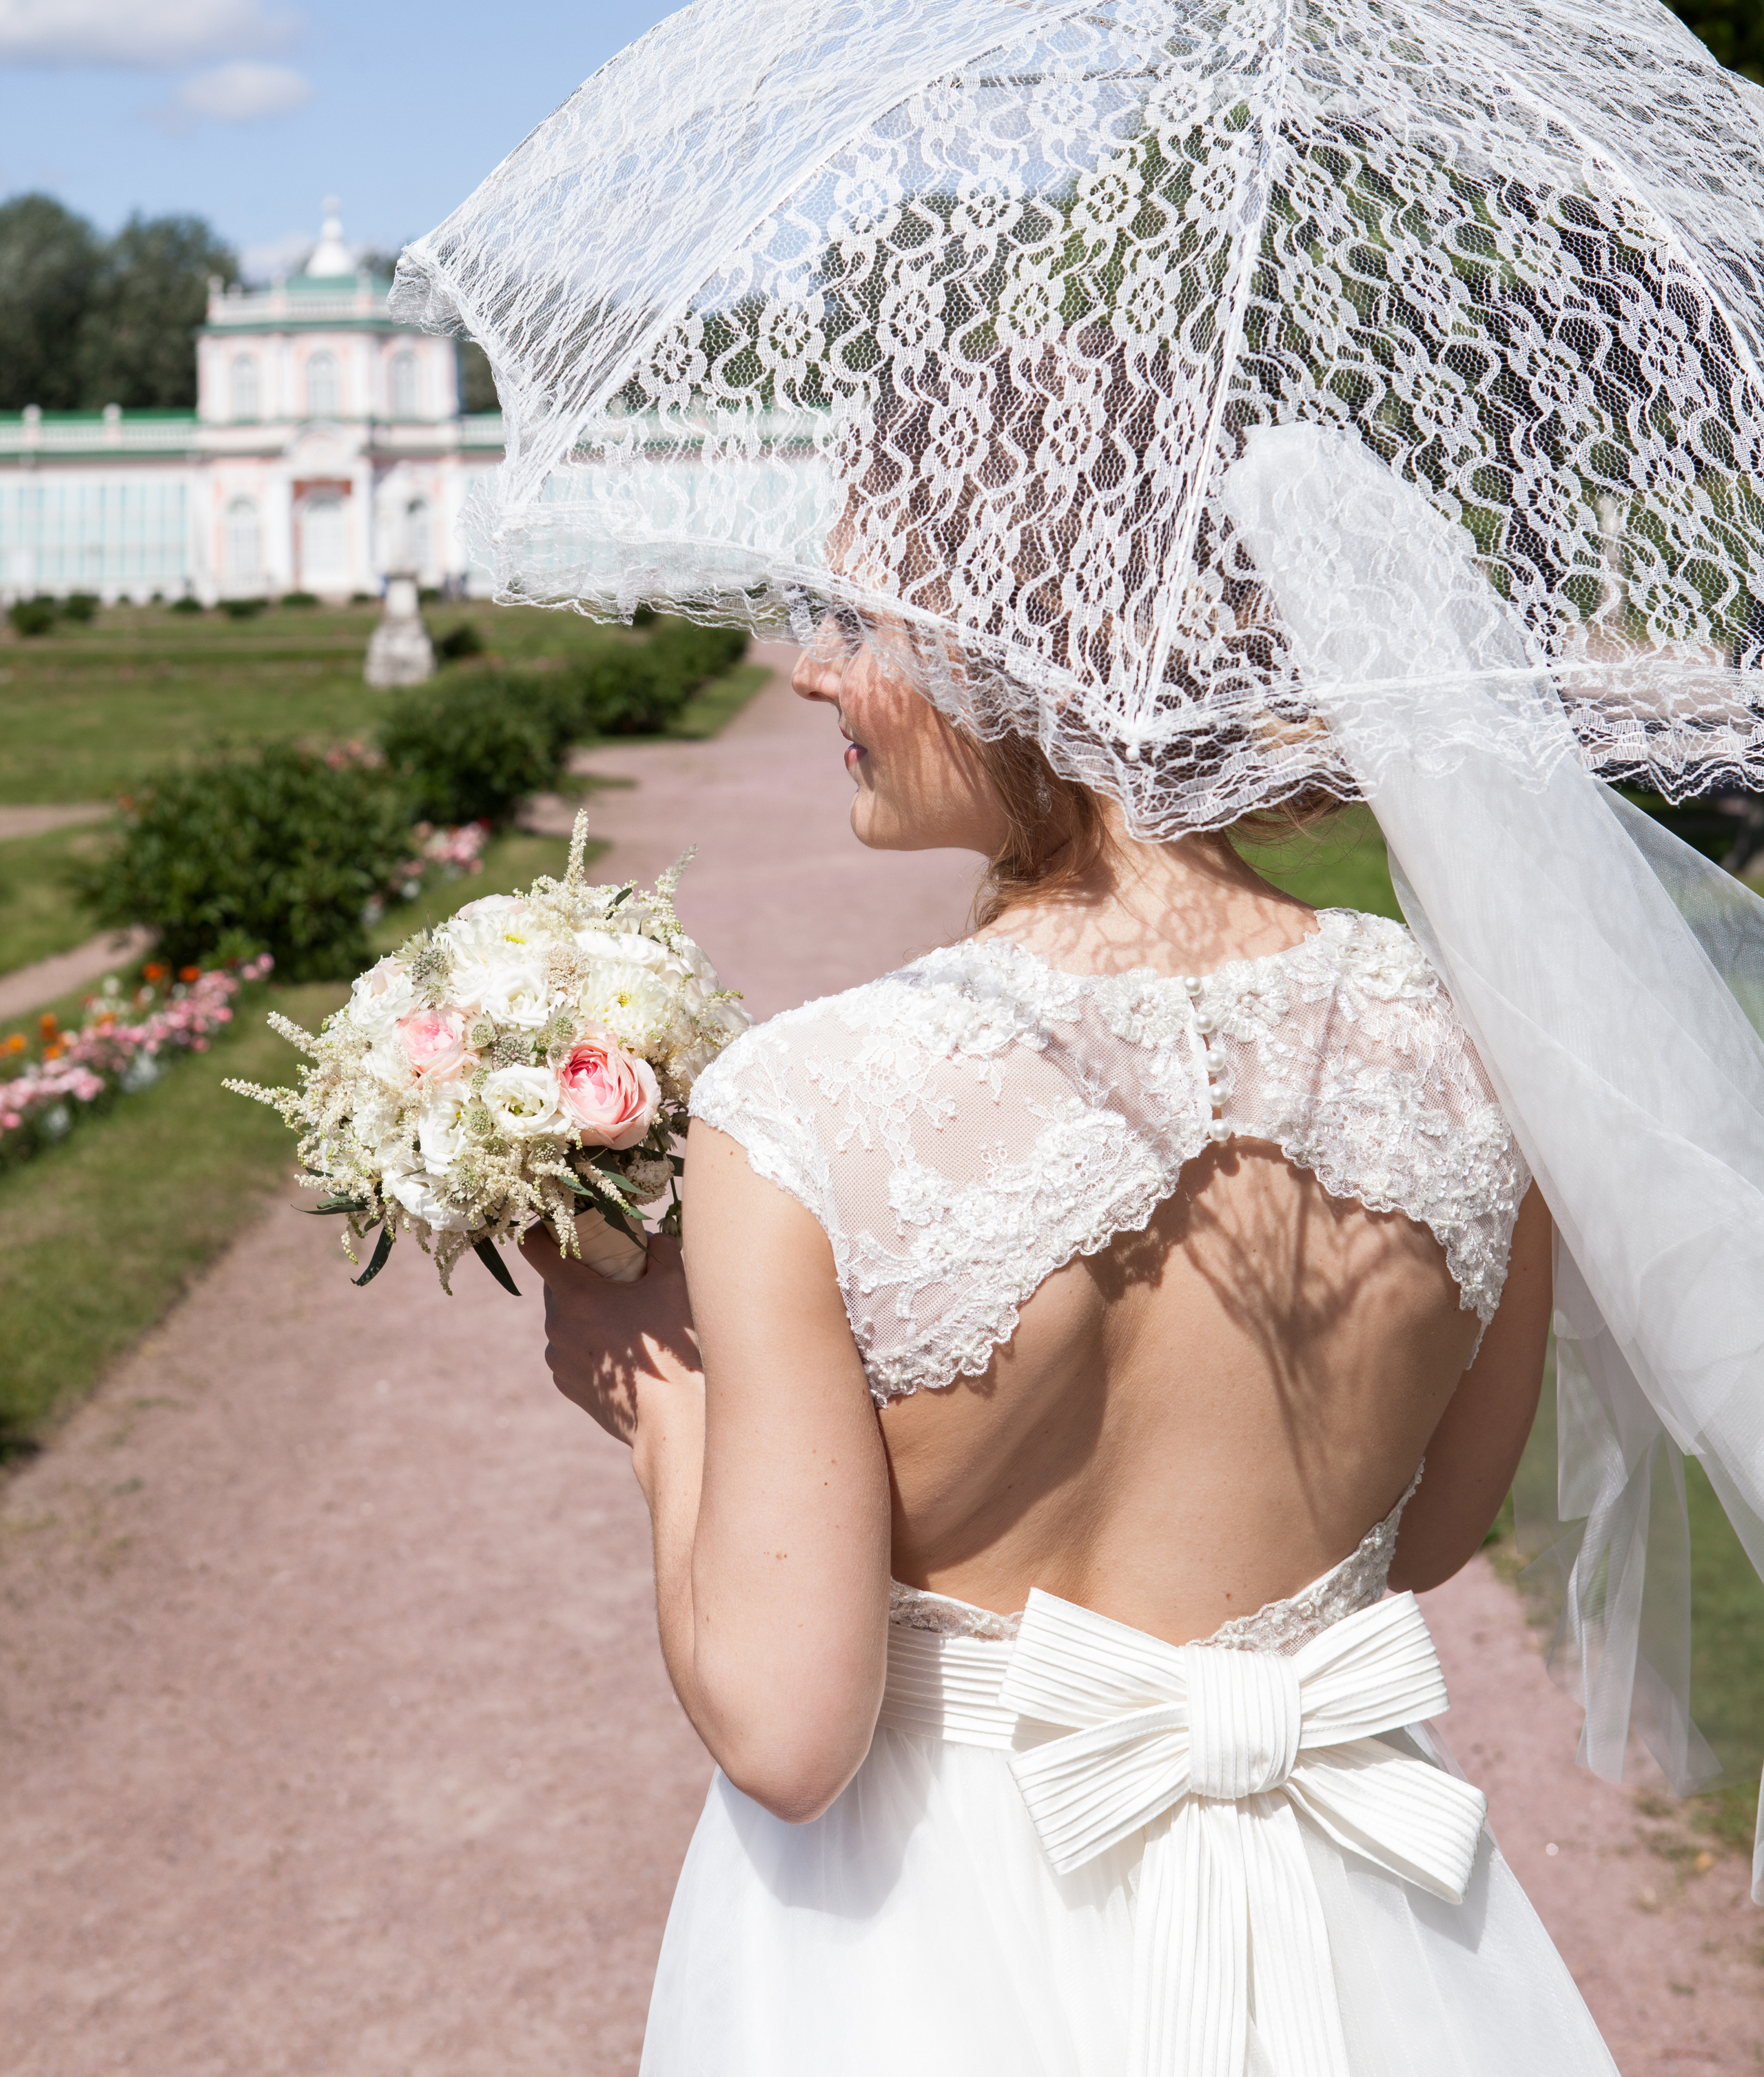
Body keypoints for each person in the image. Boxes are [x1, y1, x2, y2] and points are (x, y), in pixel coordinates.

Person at [524, 620, 1622, 2077]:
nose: (803, 669)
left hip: (917, 1939)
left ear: (1037, 648)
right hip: (1363, 1932)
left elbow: (788, 1738)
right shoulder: (1482, 1039)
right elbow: (1430, 1537)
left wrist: (659, 1396)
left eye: (856, 622)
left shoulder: (803, 1104)